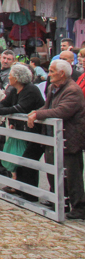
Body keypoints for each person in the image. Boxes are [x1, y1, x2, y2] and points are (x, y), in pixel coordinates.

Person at [28, 60, 85, 220]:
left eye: (52, 71)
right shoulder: (53, 87)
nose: (49, 74)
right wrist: (34, 112)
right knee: (53, 170)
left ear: (62, 73)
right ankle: (59, 201)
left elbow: (62, 111)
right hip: (53, 137)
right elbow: (47, 106)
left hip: (70, 138)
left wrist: (38, 115)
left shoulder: (73, 90)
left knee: (72, 174)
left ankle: (79, 206)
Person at [0, 63, 45, 201]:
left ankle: (30, 194)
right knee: (20, 160)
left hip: (36, 132)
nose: (9, 77)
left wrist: (0, 111)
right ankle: (22, 191)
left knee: (29, 161)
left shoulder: (31, 90)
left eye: (11, 75)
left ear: (18, 78)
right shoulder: (15, 90)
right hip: (22, 131)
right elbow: (5, 102)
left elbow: (20, 108)